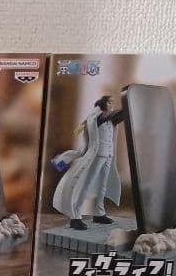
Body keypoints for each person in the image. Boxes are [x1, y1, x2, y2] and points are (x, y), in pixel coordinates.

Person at [52, 95, 126, 230]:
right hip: (98, 155)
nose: (112, 104)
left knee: (102, 185)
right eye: (109, 102)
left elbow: (120, 116)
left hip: (108, 155)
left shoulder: (109, 120)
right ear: (103, 105)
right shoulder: (99, 118)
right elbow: (113, 115)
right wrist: (127, 102)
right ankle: (75, 216)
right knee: (86, 184)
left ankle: (99, 213)